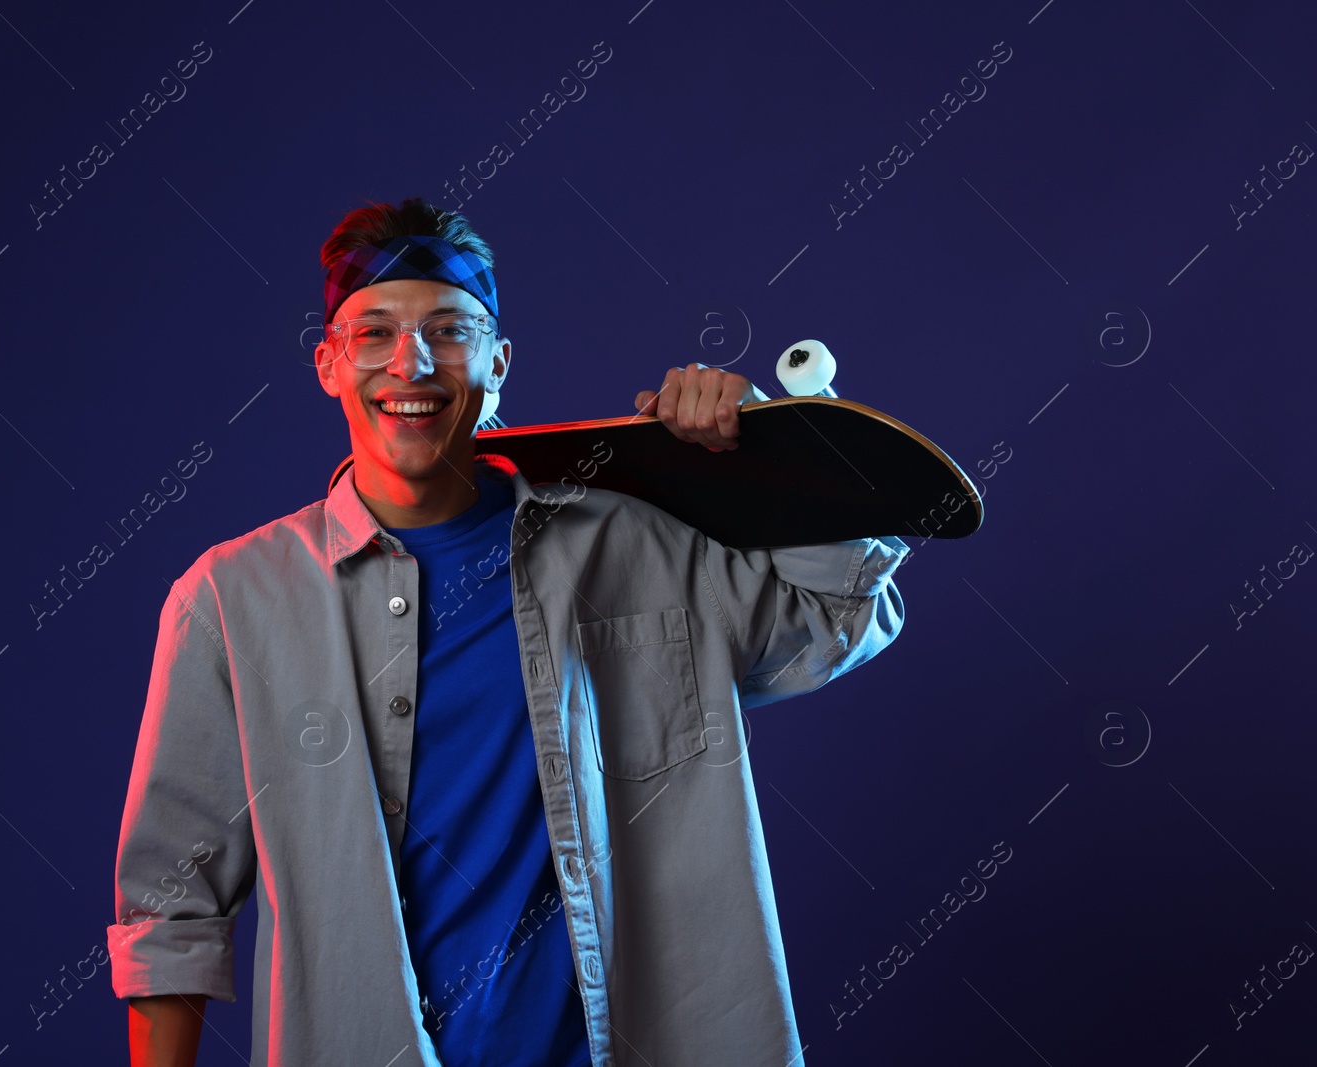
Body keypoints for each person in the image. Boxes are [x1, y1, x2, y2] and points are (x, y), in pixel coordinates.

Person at [109, 197, 909, 1066]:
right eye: (373, 333)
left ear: (499, 360)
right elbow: (169, 906)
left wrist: (771, 453)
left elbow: (837, 618)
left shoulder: (631, 541)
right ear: (329, 365)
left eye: (449, 330)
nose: (411, 362)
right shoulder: (231, 599)